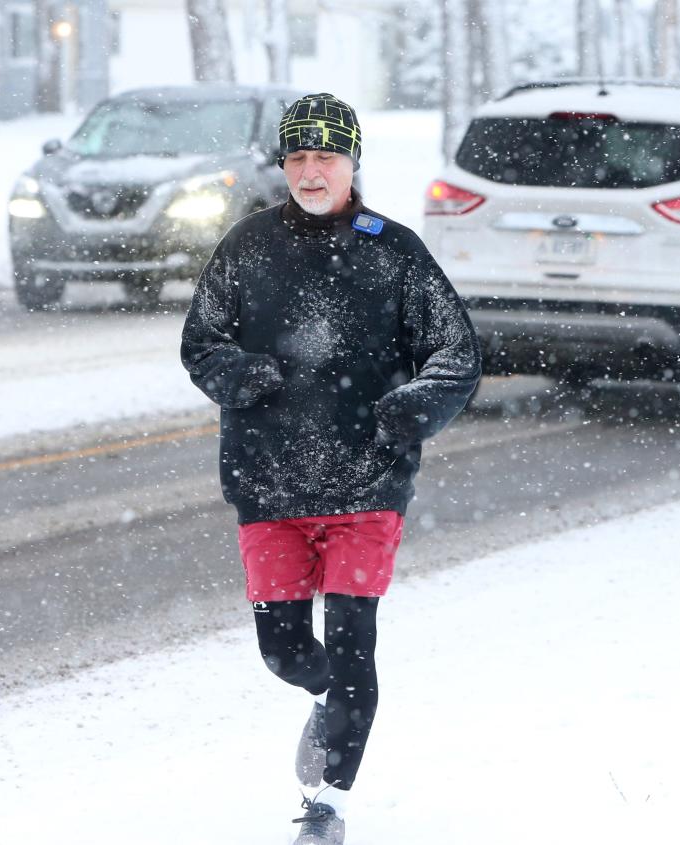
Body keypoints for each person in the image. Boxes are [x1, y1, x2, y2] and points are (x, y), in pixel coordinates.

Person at [180, 92, 481, 845]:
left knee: (353, 645)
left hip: (366, 481)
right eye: (299, 157)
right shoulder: (247, 245)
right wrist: (243, 378)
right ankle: (325, 696)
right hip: (268, 479)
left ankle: (327, 805)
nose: (312, 171)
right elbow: (201, 342)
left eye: (327, 156)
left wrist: (406, 412)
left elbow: (457, 355)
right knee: (284, 650)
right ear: (283, 164)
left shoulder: (394, 249)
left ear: (353, 161)